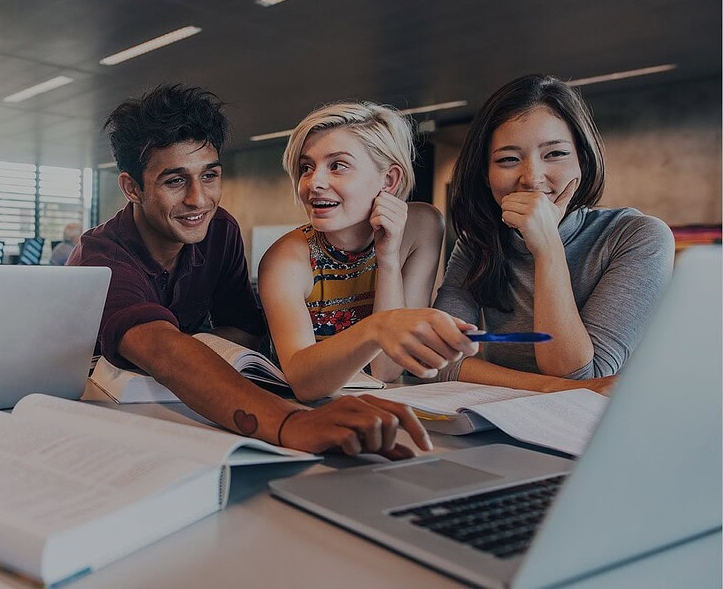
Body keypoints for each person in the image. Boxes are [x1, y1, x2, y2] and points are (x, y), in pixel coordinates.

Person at [70, 84, 436, 458]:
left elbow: (244, 330)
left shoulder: (218, 230)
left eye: (209, 175)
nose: (199, 199)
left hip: (180, 405)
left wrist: (192, 348)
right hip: (95, 414)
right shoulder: (102, 254)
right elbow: (161, 349)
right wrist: (289, 422)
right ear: (132, 188)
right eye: (175, 180)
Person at [433, 74, 675, 392]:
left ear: (583, 161)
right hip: (500, 423)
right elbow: (436, 359)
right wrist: (547, 388)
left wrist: (547, 247)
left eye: (555, 154)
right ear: (486, 174)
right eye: (508, 159)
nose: (532, 178)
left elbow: (579, 376)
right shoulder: (477, 242)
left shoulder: (638, 237)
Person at [259, 103, 479, 401]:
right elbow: (303, 383)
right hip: (302, 409)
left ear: (389, 180)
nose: (314, 183)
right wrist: (377, 329)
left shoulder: (422, 226)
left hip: (379, 402)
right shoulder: (285, 259)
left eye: (337, 165)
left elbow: (389, 369)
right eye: (306, 167)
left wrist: (388, 259)